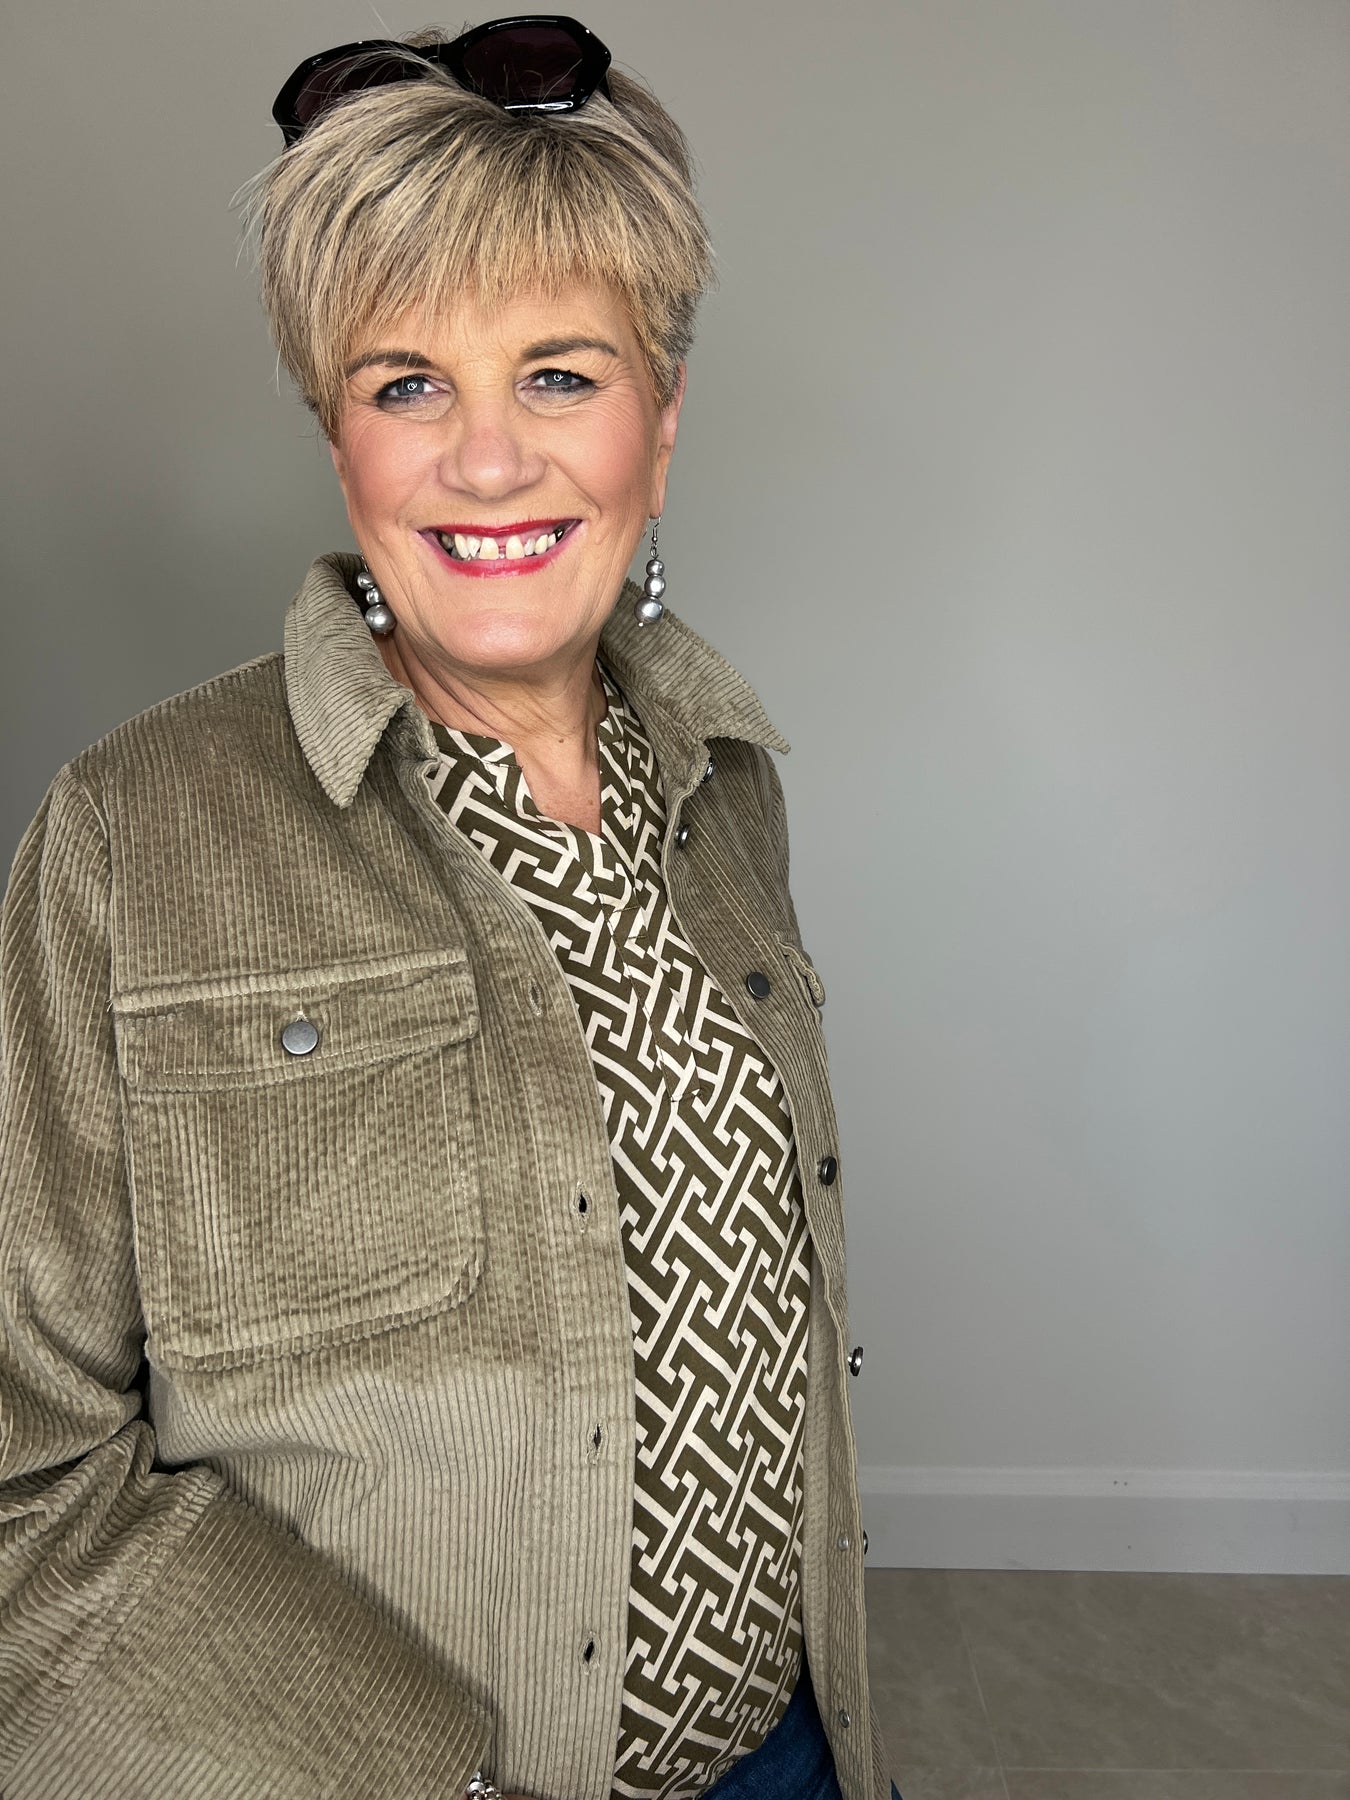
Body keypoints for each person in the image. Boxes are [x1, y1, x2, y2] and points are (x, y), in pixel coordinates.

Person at [0, 19, 897, 1800]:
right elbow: (21, 1473)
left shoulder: (729, 787)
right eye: (406, 384)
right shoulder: (128, 834)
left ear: (660, 421)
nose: (486, 463)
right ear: (336, 437)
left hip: (786, 1749)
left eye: (558, 375)